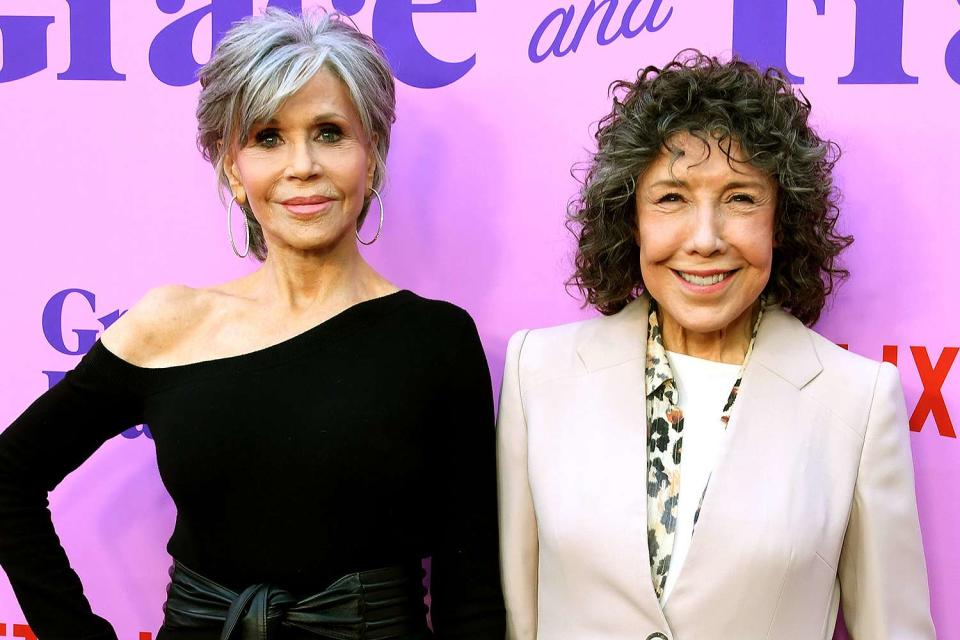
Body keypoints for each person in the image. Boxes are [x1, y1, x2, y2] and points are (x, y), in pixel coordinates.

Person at [0, 9, 504, 639]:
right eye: (267, 137)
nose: (302, 166)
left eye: (329, 132)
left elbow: (471, 592)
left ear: (369, 157)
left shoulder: (435, 340)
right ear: (232, 169)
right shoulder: (169, 324)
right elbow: (10, 474)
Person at [496, 51, 935, 640]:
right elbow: (518, 619)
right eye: (672, 198)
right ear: (631, 220)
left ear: (782, 219)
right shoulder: (537, 373)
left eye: (740, 198)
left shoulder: (857, 400)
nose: (705, 239)